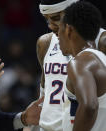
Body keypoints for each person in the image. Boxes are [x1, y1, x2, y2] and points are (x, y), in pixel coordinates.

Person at [33, 0, 106, 130]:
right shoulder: (45, 42)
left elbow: (90, 105)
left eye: (55, 18)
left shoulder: (101, 41)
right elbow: (44, 96)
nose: (50, 25)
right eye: (46, 19)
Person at [58, 1, 106, 130]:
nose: (57, 36)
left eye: (59, 30)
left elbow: (89, 106)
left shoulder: (80, 62)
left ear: (69, 29)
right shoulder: (101, 59)